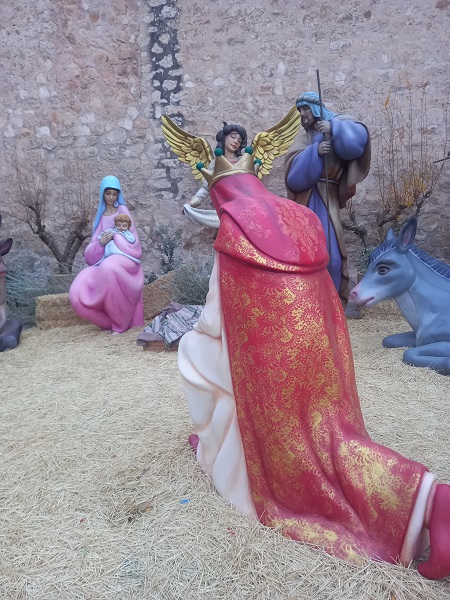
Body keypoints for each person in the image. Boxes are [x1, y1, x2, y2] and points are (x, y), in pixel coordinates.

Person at [166, 121, 450, 580]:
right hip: (320, 359)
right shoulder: (302, 220)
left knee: (200, 357)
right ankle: (430, 504)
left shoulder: (234, 233)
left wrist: (195, 333)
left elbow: (215, 320)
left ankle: (428, 499)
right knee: (333, 440)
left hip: (270, 369)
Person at [284, 91, 371, 307]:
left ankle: (332, 304)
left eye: (306, 108)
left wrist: (334, 129)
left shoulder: (338, 123)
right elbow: (293, 177)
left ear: (317, 109)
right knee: (310, 252)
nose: (303, 114)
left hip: (328, 197)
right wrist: (315, 151)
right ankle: (309, 303)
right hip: (308, 201)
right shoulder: (303, 139)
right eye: (300, 110)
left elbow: (356, 143)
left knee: (333, 254)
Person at [69, 176, 144, 334]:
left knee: (108, 268)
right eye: (108, 193)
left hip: (126, 259)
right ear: (102, 193)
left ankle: (120, 323)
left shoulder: (122, 211)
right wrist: (101, 243)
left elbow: (134, 242)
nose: (111, 197)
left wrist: (116, 237)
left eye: (114, 194)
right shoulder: (101, 216)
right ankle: (107, 322)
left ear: (118, 195)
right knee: (77, 291)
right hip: (104, 259)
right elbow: (91, 251)